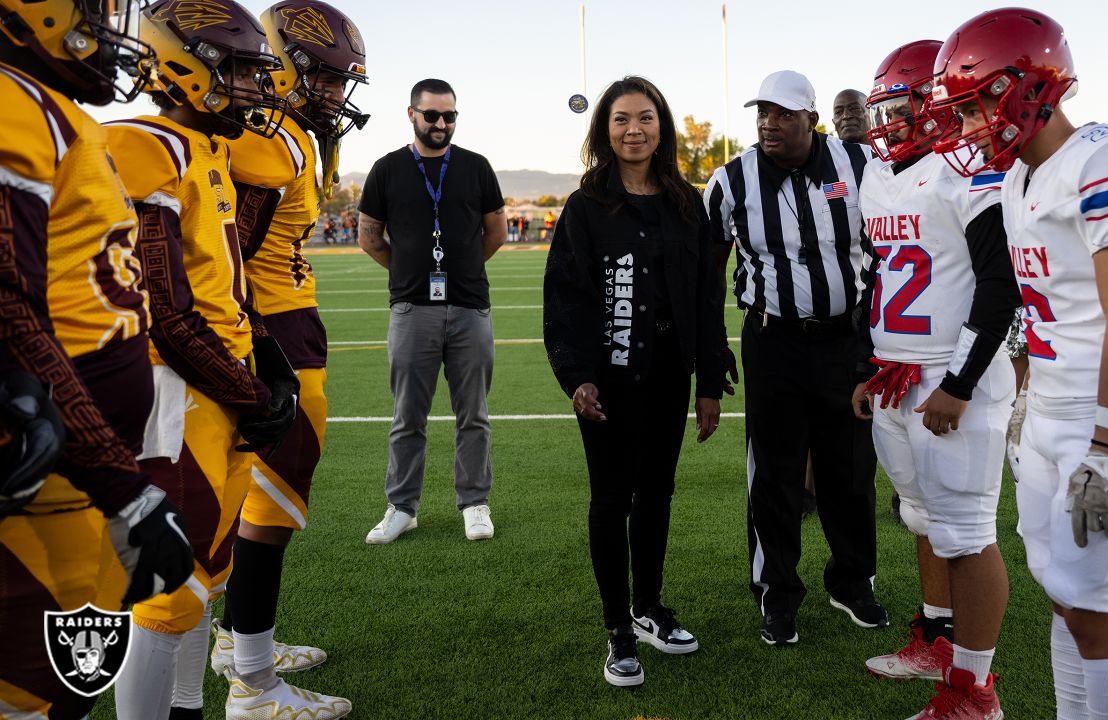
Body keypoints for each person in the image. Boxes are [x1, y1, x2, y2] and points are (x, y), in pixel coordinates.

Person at [932, 9, 1108, 719]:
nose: (970, 125)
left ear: (1030, 86)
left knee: (1095, 609)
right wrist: (1025, 395)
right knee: (1063, 598)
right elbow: (1047, 307)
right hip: (1050, 408)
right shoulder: (1018, 180)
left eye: (978, 102)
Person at [104, 3, 306, 718]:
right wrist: (250, 391)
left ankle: (189, 707)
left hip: (217, 386)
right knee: (162, 593)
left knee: (201, 582)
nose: (258, 86)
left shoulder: (206, 147)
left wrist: (257, 369)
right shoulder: (146, 144)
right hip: (174, 390)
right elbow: (165, 307)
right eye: (244, 70)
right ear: (189, 68)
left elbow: (225, 278)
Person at [0, 1, 194, 716]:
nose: (109, 29)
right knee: (31, 695)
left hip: (79, 461)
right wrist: (123, 487)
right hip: (57, 468)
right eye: (92, 9)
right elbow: (5, 306)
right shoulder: (13, 100)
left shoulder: (53, 109)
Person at [205, 2, 371, 717]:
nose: (337, 96)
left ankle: (238, 643)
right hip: (270, 328)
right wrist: (256, 350)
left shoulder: (291, 133)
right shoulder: (265, 140)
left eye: (342, 84)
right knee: (271, 501)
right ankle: (252, 680)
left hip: (286, 318)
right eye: (328, 81)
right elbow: (225, 252)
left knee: (251, 494)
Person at [852, 39, 1020, 719]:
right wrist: (874, 365)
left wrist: (961, 380)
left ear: (941, 102)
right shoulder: (876, 175)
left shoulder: (971, 167)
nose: (888, 122)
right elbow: (887, 276)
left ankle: (974, 692)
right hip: (898, 373)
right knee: (923, 516)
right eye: (883, 108)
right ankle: (937, 640)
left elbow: (998, 285)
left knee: (967, 530)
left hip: (954, 376)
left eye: (903, 105)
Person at [543, 75, 726, 688]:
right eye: (621, 120)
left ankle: (649, 608)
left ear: (662, 127)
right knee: (611, 499)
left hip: (670, 374)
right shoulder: (586, 206)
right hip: (610, 380)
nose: (634, 130)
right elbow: (565, 296)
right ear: (604, 131)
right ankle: (618, 627)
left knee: (658, 495)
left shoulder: (685, 201)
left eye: (644, 118)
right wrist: (578, 376)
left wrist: (707, 379)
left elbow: (705, 294)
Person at [704, 69, 885, 647]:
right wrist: (711, 351)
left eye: (783, 114)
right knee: (775, 473)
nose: (769, 123)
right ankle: (776, 591)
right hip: (773, 341)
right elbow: (706, 269)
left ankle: (852, 581)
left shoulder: (861, 167)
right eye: (763, 113)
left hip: (845, 340)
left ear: (813, 118)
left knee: (850, 471)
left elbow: (889, 253)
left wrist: (873, 341)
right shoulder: (732, 180)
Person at [357, 78, 506, 544]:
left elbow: (495, 232)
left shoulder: (477, 167)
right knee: (407, 417)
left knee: (474, 415)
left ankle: (475, 503)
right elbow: (369, 236)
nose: (442, 124)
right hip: (410, 310)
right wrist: (406, 271)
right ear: (411, 114)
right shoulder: (386, 169)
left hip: (469, 309)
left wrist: (460, 269)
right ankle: (402, 507)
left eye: (450, 116)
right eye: (433, 115)